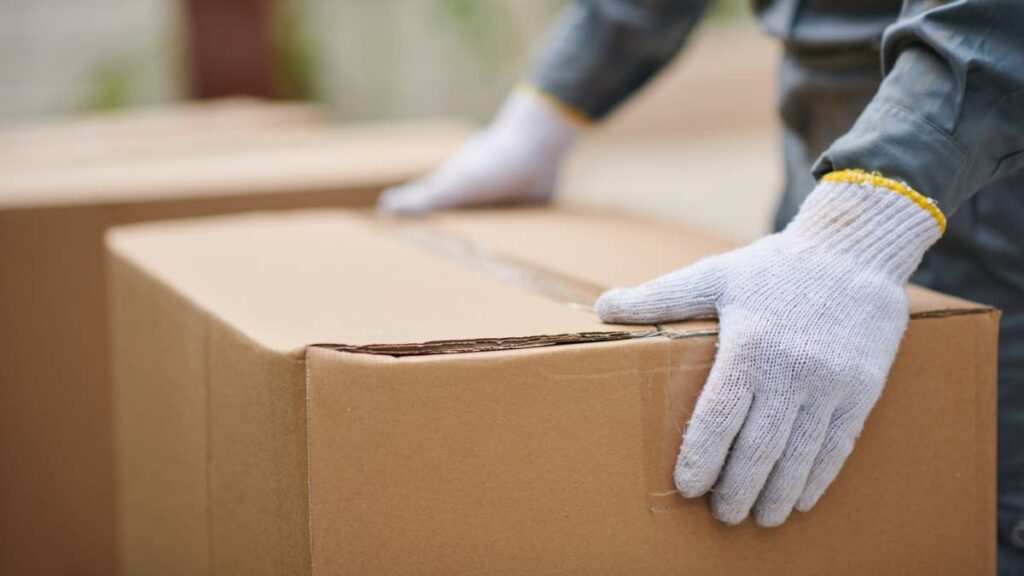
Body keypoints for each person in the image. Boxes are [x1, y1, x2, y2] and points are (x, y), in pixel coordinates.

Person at [379, 0, 1024, 572]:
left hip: (988, 192)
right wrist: (542, 117)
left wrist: (859, 232)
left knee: (976, 507)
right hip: (826, 163)